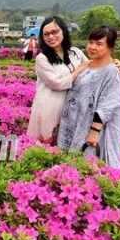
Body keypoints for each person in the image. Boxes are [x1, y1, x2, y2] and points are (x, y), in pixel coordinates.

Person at [57, 26, 120, 168]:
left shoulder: (111, 71)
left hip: (90, 130)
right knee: (69, 169)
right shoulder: (86, 65)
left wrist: (94, 132)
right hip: (73, 124)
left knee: (88, 168)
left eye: (99, 44)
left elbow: (108, 104)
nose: (92, 47)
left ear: (110, 47)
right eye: (90, 42)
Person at [26, 16, 89, 145]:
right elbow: (57, 84)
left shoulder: (75, 52)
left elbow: (92, 67)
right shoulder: (42, 59)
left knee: (65, 146)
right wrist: (80, 69)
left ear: (63, 32)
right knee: (46, 145)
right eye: (46, 34)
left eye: (54, 32)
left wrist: (114, 63)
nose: (51, 37)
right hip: (49, 107)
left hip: (71, 107)